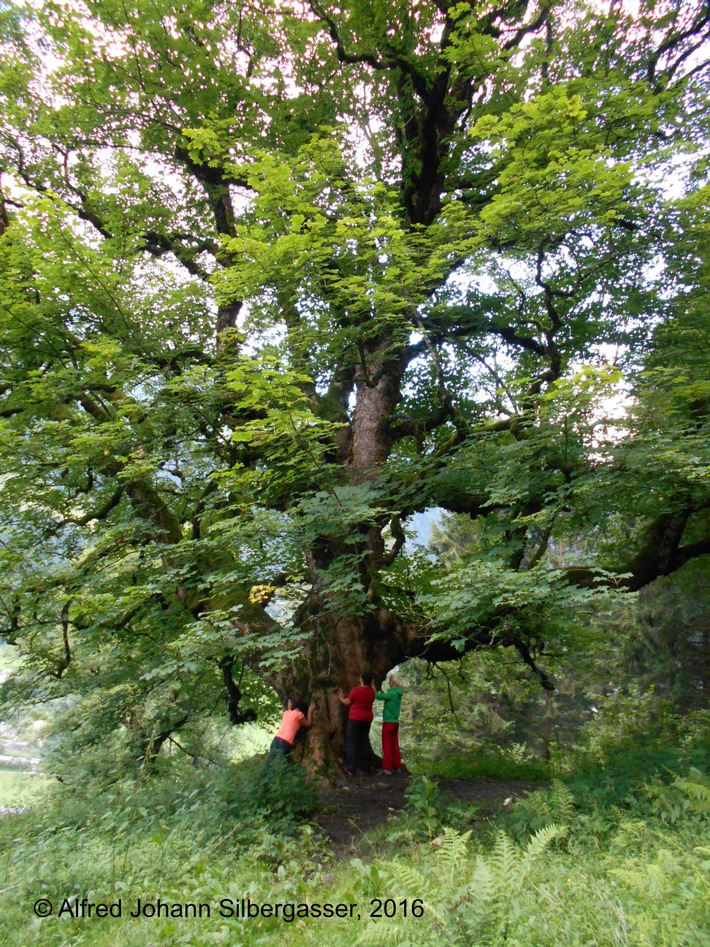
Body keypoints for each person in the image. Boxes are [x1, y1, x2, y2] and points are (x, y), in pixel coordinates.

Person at [337, 671, 375, 776]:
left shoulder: (356, 690)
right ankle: (367, 766)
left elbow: (347, 702)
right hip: (367, 719)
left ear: (361, 679)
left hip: (355, 719)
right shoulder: (372, 692)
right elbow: (373, 690)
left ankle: (350, 768)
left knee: (351, 742)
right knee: (364, 741)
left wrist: (340, 697)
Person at [375, 674, 404, 774]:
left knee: (386, 745)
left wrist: (373, 689)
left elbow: (378, 697)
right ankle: (397, 766)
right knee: (395, 745)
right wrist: (381, 691)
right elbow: (384, 696)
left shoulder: (391, 693)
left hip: (388, 723)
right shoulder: (397, 694)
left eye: (389, 681)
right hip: (395, 723)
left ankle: (387, 768)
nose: (388, 683)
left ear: (392, 683)